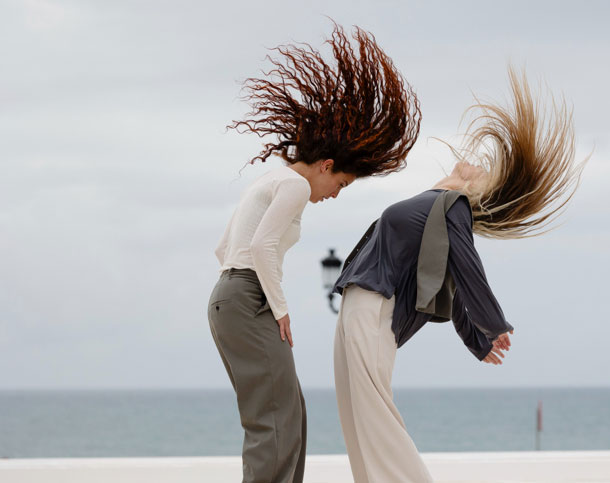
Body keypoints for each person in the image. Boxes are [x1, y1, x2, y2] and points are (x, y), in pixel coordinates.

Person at [331, 70, 585, 483]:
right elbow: (454, 284)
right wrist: (476, 339)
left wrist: (492, 325)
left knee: (377, 423)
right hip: (358, 307)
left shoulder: (455, 207)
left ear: (481, 193)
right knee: (357, 424)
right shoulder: (434, 209)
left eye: (488, 171)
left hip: (375, 310)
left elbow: (469, 272)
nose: (480, 164)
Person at [207, 24, 420, 483]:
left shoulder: (268, 180)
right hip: (249, 297)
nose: (336, 194)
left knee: (286, 412)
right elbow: (262, 247)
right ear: (325, 166)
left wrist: (241, 292)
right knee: (278, 418)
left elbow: (224, 247)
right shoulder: (294, 185)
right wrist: (278, 309)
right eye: (339, 183)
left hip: (230, 296)